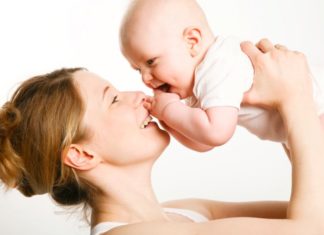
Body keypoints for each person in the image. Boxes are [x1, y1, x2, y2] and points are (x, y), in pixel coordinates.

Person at [0, 39, 323, 235]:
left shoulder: (187, 212)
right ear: (81, 154)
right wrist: (295, 99)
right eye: (112, 99)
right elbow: (311, 229)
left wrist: (275, 122)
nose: (139, 94)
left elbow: (313, 212)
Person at [119, 0, 324, 152]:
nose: (145, 78)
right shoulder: (199, 81)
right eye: (138, 69)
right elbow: (204, 143)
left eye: (150, 62)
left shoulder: (218, 66)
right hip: (307, 126)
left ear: (192, 41)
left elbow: (216, 132)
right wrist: (171, 121)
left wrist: (170, 110)